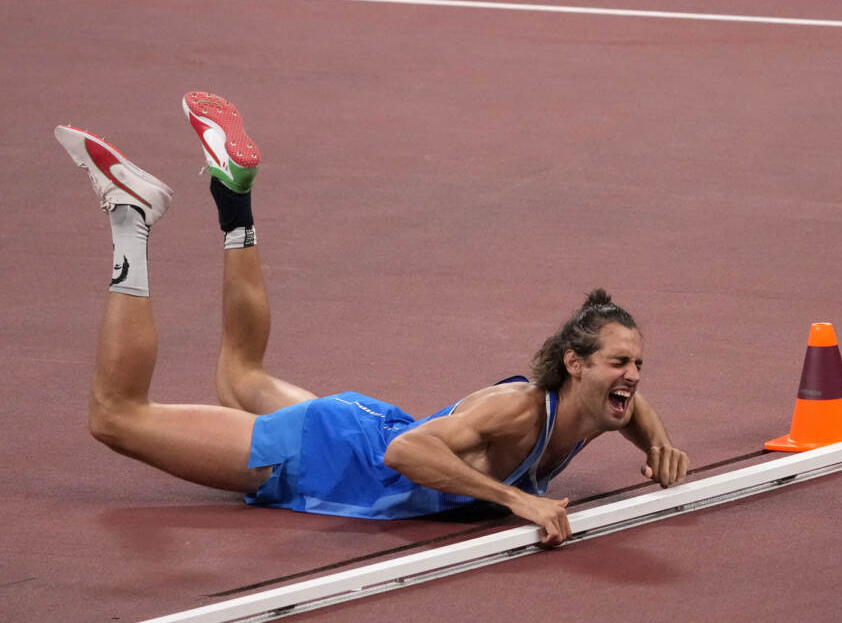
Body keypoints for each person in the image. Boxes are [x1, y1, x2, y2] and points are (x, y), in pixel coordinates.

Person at [55, 92, 689, 546]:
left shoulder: (597, 406)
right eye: (620, 362)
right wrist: (517, 499)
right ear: (574, 365)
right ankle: (130, 218)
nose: (632, 377)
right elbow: (405, 451)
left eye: (637, 364)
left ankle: (233, 194)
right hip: (314, 454)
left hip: (348, 427)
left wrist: (658, 444)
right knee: (116, 417)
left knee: (241, 373)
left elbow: (635, 411)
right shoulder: (522, 411)